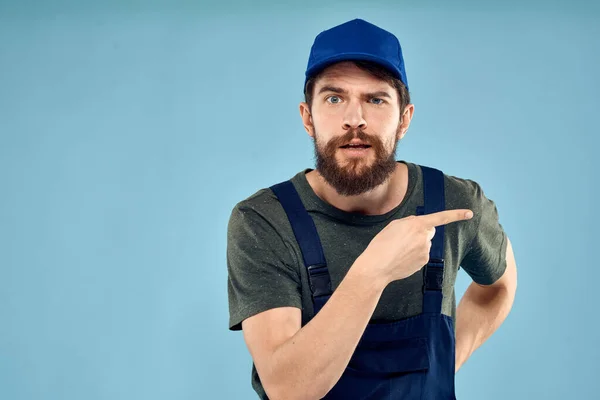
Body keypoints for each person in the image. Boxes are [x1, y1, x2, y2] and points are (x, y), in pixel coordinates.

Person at [226, 18, 518, 400]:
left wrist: (444, 364)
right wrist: (374, 271)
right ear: (307, 118)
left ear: (404, 120)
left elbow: (499, 286)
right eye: (334, 98)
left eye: (376, 100)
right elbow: (288, 388)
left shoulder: (452, 204)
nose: (355, 119)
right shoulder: (264, 221)